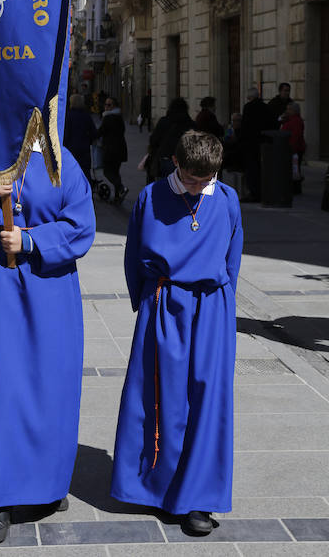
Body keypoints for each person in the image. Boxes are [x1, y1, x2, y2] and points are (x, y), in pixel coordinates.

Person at [0, 143, 96, 545]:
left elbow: (82, 224)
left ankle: (47, 483)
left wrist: (31, 242)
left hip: (50, 284)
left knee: (51, 384)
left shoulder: (62, 159)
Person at [111, 130, 242, 536]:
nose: (200, 187)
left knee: (208, 401)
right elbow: (134, 255)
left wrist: (224, 309)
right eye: (191, 179)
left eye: (207, 180)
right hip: (165, 305)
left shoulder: (228, 198)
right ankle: (159, 488)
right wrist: (146, 305)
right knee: (162, 398)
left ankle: (198, 498)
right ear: (175, 164)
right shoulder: (151, 196)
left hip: (212, 310)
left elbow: (233, 255)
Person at [148, 97, 194, 180]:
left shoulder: (164, 121)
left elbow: (154, 140)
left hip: (166, 159)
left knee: (164, 186)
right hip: (184, 162)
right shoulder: (190, 124)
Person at [240, 87, 273, 202]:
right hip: (263, 143)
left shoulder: (248, 107)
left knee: (252, 169)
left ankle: (254, 193)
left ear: (250, 97)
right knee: (261, 169)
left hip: (251, 143)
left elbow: (244, 126)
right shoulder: (265, 107)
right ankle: (263, 192)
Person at [95, 96, 128, 203]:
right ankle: (118, 196)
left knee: (107, 172)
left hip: (111, 149)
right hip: (120, 148)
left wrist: (91, 135)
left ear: (114, 106)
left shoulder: (109, 118)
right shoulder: (119, 117)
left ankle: (121, 188)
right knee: (115, 172)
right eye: (105, 104)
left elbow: (100, 132)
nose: (106, 107)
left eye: (109, 105)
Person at [64, 93, 97, 182]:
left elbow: (66, 133)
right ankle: (87, 190)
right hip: (84, 148)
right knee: (85, 170)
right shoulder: (86, 116)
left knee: (72, 170)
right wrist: (89, 140)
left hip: (71, 148)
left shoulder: (68, 116)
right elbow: (93, 132)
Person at [281, 101, 306, 193]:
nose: (287, 111)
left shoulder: (296, 120)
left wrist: (292, 148)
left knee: (295, 169)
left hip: (295, 148)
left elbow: (295, 135)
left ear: (294, 111)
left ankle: (296, 188)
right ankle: (294, 187)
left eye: (289, 109)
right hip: (290, 147)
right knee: (293, 169)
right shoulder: (289, 119)